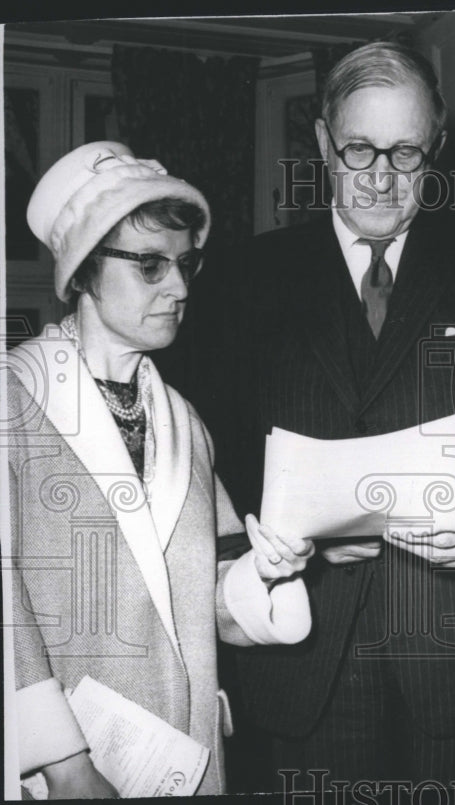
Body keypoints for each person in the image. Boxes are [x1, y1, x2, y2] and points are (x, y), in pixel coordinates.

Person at [203, 42, 455, 786]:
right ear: (320, 143)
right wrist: (275, 543)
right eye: (358, 148)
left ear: (436, 149)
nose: (379, 176)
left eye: (405, 153)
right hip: (304, 667)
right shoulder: (245, 279)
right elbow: (207, 470)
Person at [5, 141, 315, 798]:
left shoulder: (186, 423)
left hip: (188, 762)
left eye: (184, 264)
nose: (178, 287)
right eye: (150, 265)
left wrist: (269, 570)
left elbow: (219, 595)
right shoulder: (13, 399)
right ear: (83, 272)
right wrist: (64, 762)